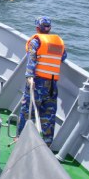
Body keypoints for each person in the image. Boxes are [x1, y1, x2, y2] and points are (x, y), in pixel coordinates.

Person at [17, 16, 67, 146]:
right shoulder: (59, 42)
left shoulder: (36, 41)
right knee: (49, 115)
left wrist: (29, 76)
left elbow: (32, 60)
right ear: (49, 28)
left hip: (36, 83)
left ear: (37, 28)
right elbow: (63, 57)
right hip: (52, 85)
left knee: (28, 111)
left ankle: (21, 139)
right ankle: (47, 143)